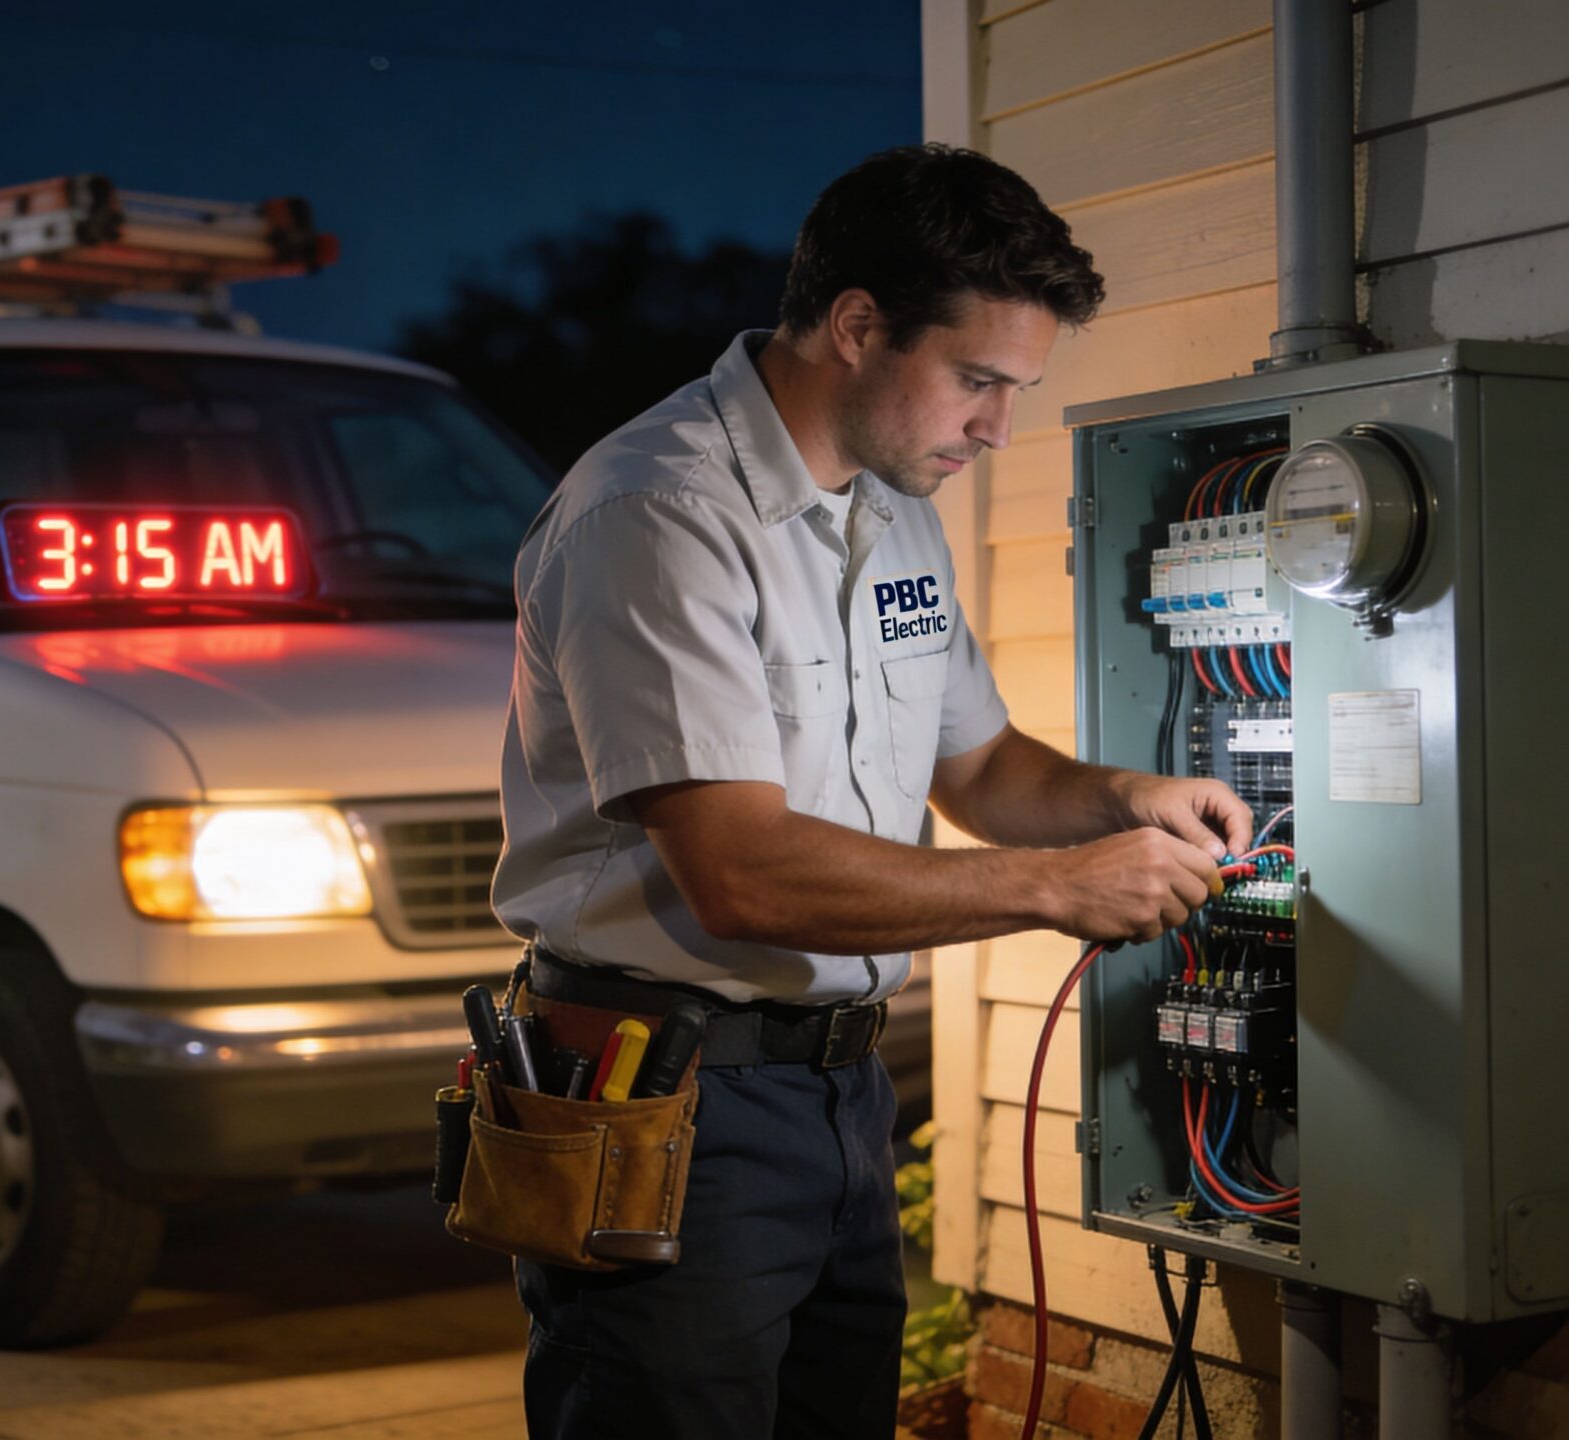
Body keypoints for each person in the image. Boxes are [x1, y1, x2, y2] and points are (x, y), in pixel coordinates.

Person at [491, 143, 1254, 1438]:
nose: (997, 429)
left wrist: (1129, 800)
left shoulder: (887, 506)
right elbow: (738, 873)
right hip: (662, 1093)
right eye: (977, 381)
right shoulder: (658, 514)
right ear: (856, 327)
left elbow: (982, 767)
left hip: (838, 1098)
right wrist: (1059, 888)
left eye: (1015, 390)